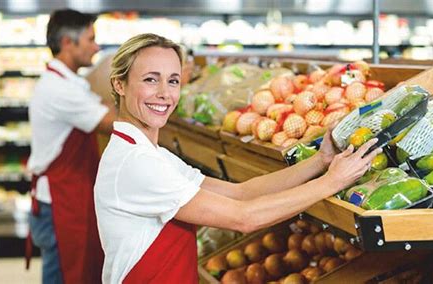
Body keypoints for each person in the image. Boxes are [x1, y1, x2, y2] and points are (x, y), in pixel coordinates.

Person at [94, 33, 381, 284]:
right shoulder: (136, 163)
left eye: (173, 81)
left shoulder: (149, 154)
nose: (164, 94)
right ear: (119, 84)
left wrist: (320, 162)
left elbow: (240, 193)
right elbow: (243, 217)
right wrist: (330, 183)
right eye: (150, 80)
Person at [27, 9, 116, 284]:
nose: (96, 47)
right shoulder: (59, 90)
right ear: (68, 42)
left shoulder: (69, 82)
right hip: (60, 204)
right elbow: (113, 122)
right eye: (90, 39)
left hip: (68, 197)